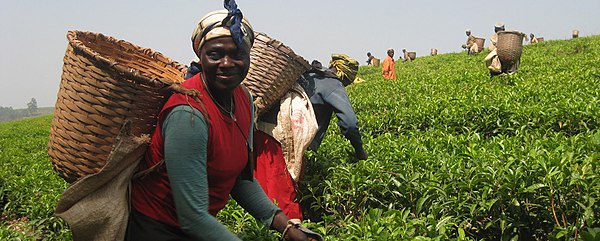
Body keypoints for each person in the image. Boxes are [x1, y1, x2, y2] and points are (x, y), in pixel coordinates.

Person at [127, 2, 320, 240]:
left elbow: (242, 180)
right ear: (200, 55)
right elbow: (193, 218)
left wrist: (286, 226)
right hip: (156, 229)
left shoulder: (244, 100)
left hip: (199, 227)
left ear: (249, 56)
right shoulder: (188, 114)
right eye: (215, 54)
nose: (227, 64)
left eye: (237, 54)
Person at [302, 56, 369, 160]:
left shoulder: (310, 74)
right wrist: (360, 151)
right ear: (345, 76)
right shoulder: (333, 83)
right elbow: (350, 124)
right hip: (299, 143)